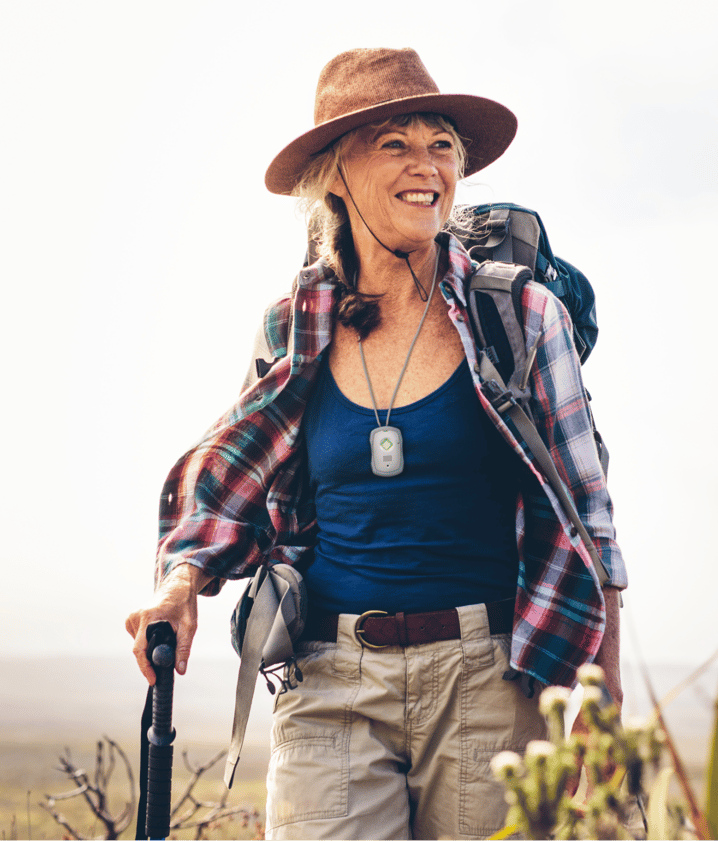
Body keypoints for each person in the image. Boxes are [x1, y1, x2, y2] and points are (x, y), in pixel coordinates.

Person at [124, 47, 627, 841]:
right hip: (332, 680)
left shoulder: (521, 316)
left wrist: (603, 702)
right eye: (394, 143)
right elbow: (234, 470)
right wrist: (181, 581)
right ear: (333, 173)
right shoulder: (294, 325)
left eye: (440, 144)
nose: (426, 165)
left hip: (492, 681)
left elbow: (589, 521)